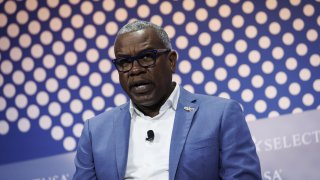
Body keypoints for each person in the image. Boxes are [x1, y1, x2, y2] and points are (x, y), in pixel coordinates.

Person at [73, 20, 261, 180]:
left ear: (171, 61)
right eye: (124, 62)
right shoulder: (95, 132)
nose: (135, 69)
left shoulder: (221, 115)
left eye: (146, 57)